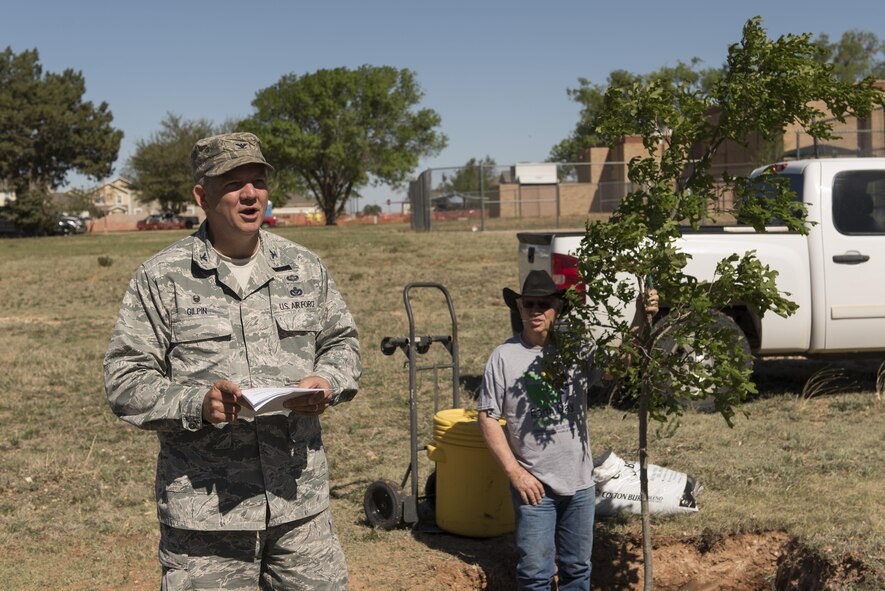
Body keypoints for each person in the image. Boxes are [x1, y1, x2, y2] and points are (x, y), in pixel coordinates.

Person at [103, 132, 360, 590]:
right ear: (202, 196)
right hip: (205, 518)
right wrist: (196, 403)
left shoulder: (304, 268)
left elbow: (342, 342)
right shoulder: (162, 277)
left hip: (299, 506)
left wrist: (327, 380)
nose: (249, 194)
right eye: (232, 182)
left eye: (257, 181)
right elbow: (124, 378)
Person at [477, 270, 656, 591]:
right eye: (528, 304)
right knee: (535, 575)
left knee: (578, 570)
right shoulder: (503, 357)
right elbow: (488, 418)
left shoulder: (576, 350)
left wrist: (640, 316)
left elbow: (620, 364)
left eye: (543, 304)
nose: (535, 311)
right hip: (534, 488)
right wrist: (515, 474)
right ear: (519, 308)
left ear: (556, 309)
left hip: (581, 486)